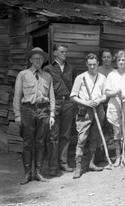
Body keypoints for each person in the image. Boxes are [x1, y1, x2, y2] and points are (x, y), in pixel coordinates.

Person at [13, 47, 55, 185]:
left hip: (43, 110)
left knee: (40, 142)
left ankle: (38, 172)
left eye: (41, 58)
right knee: (27, 143)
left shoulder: (47, 76)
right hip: (28, 110)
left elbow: (52, 96)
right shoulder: (23, 74)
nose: (38, 60)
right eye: (35, 58)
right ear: (30, 60)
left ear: (43, 60)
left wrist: (52, 113)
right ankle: (27, 174)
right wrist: (17, 115)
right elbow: (17, 96)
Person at [70, 53, 107, 179]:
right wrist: (86, 102)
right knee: (81, 139)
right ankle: (79, 167)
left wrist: (99, 100)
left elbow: (105, 95)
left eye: (94, 64)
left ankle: (91, 163)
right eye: (89, 64)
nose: (92, 67)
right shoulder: (80, 78)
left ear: (97, 64)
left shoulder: (102, 78)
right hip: (84, 110)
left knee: (95, 138)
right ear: (86, 64)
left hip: (98, 108)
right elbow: (73, 96)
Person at [43, 43, 78, 177]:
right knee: (53, 135)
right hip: (54, 103)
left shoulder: (71, 68)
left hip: (68, 103)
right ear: (55, 53)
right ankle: (53, 166)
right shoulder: (48, 69)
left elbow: (75, 86)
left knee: (66, 134)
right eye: (62, 52)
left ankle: (63, 163)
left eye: (66, 52)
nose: (64, 54)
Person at [104, 50, 125, 167]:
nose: (121, 62)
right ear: (116, 61)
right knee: (117, 130)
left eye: (123, 60)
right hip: (114, 103)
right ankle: (118, 157)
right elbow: (107, 91)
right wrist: (115, 93)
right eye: (119, 60)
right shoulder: (112, 75)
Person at [95, 48, 114, 165]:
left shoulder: (114, 72)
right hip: (99, 103)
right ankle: (97, 153)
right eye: (104, 57)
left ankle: (105, 152)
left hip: (110, 103)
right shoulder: (98, 70)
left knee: (108, 129)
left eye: (108, 57)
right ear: (101, 59)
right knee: (98, 128)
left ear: (112, 59)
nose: (106, 59)